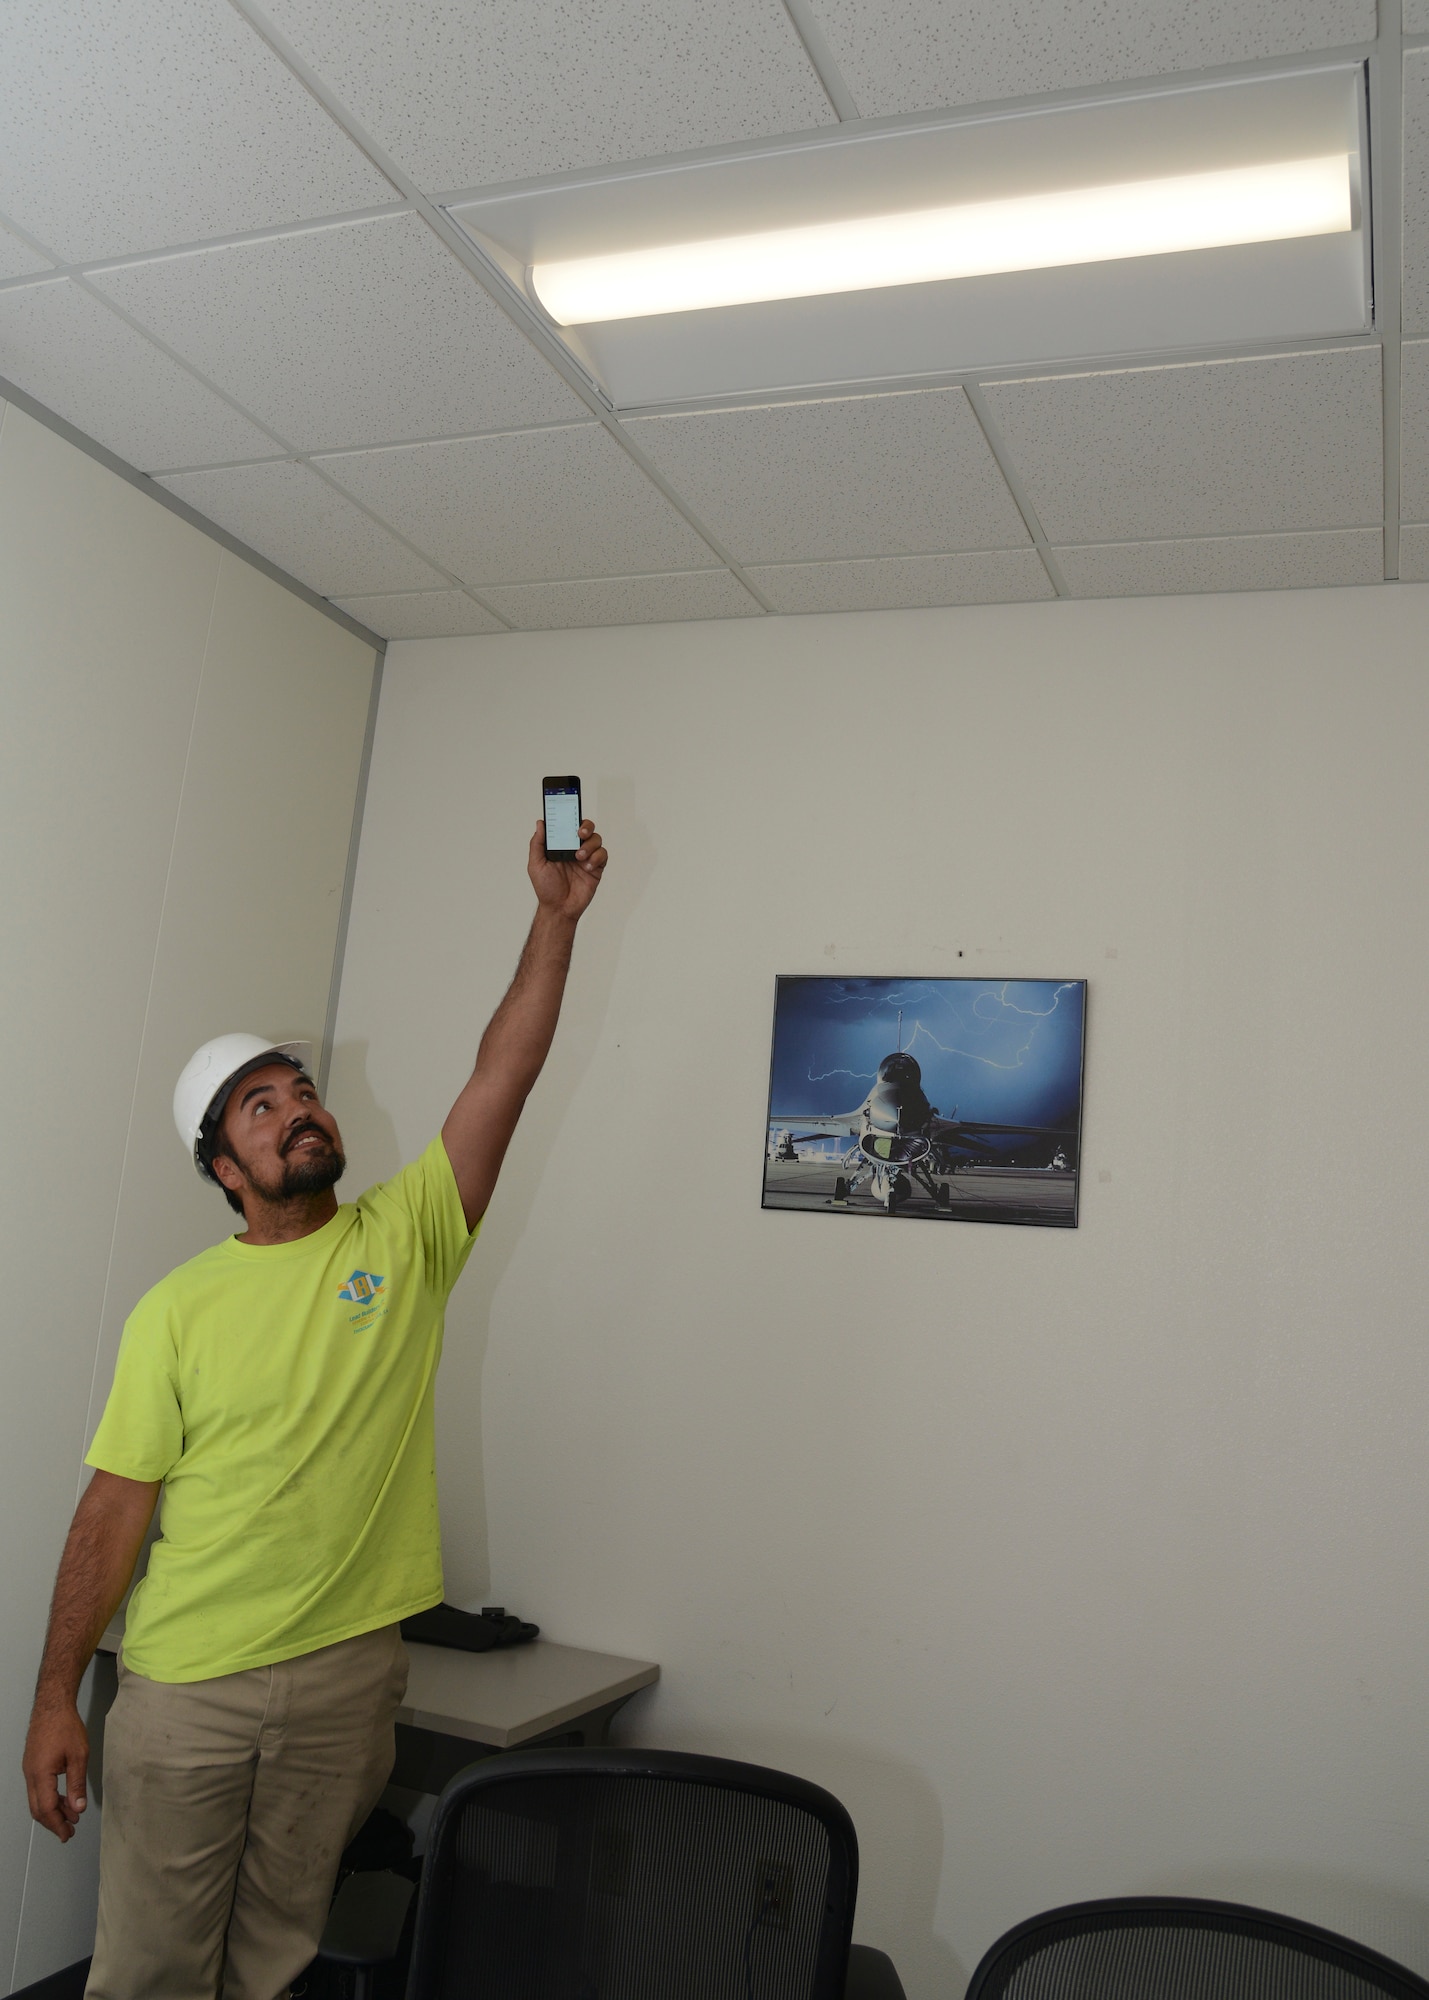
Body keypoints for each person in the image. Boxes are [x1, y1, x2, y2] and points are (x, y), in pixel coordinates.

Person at [21, 817, 608, 2000]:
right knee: (146, 1974)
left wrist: (552, 920)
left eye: (301, 1090)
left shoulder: (407, 1237)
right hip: (188, 1688)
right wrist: (52, 1697)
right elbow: (112, 1512)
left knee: (277, 1963)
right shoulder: (175, 1310)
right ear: (224, 1166)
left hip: (347, 1679)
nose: (296, 1109)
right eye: (258, 1106)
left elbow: (505, 1071)